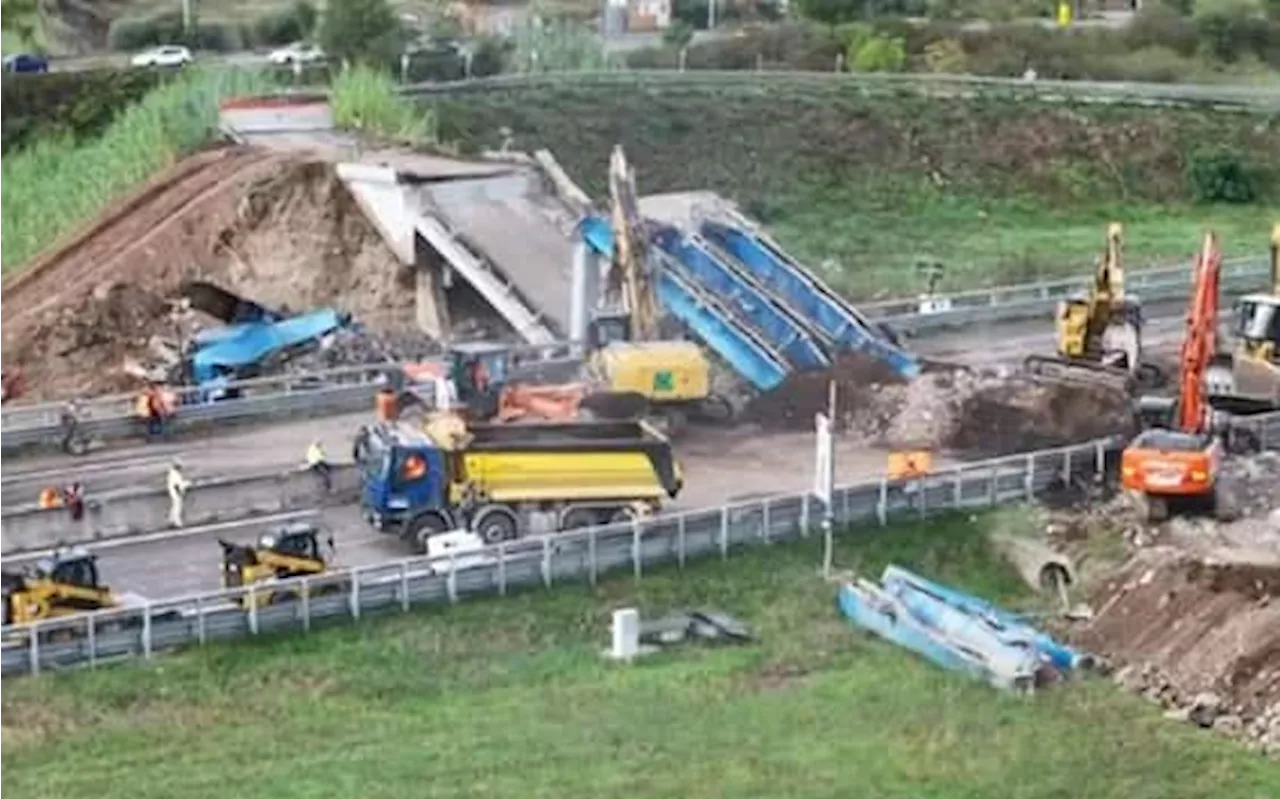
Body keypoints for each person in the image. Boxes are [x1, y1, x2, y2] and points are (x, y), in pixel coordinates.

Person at [166, 461, 191, 528]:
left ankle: (171, 521)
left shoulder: (173, 473)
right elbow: (178, 485)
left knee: (175, 507)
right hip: (176, 492)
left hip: (175, 491)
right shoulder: (174, 474)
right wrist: (187, 484)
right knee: (177, 507)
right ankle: (177, 523)